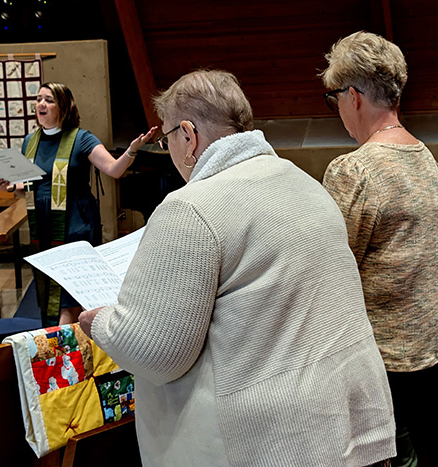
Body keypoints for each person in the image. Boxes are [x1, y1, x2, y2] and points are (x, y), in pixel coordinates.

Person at [78, 69, 397, 466]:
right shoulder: (304, 182)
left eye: (167, 138)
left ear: (189, 136)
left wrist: (103, 323)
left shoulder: (191, 208)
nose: (170, 149)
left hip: (271, 439)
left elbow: (155, 353)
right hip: (345, 414)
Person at [320, 31, 438, 467]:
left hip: (379, 364)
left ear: (354, 96)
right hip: (431, 349)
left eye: (335, 97)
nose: (337, 109)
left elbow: (331, 273)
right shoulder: (424, 155)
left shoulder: (353, 169)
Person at [0, 82, 153, 325]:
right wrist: (10, 185)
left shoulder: (81, 139)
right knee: (51, 286)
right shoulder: (30, 141)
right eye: (39, 99)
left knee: (70, 294)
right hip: (44, 223)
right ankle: (66, 345)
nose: (41, 104)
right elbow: (31, 183)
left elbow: (113, 170)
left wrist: (131, 152)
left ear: (64, 106)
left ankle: (64, 351)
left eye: (49, 100)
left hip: (75, 221)